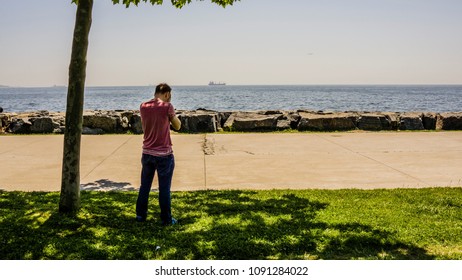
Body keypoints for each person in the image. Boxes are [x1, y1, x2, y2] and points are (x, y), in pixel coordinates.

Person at [136, 83, 181, 225]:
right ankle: (166, 219)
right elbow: (178, 126)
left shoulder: (143, 106)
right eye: (170, 96)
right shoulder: (167, 107)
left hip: (147, 152)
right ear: (167, 94)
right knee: (164, 188)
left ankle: (140, 216)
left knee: (145, 186)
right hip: (164, 154)